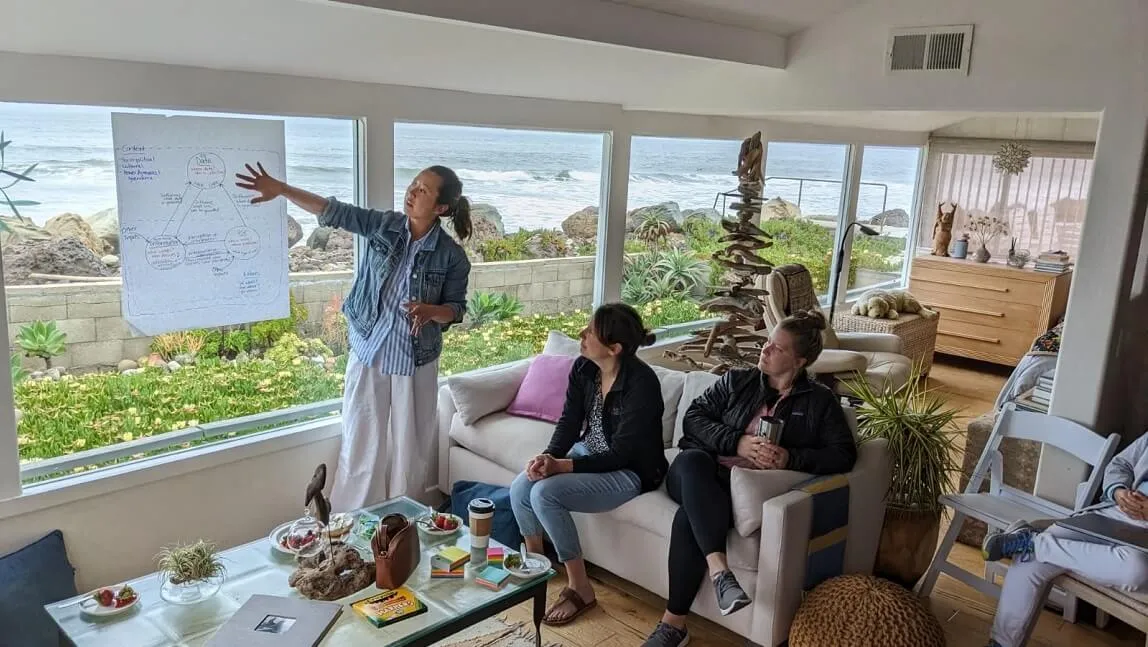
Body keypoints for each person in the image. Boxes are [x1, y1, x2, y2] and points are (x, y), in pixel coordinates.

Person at [235, 163, 472, 510]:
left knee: (411, 449)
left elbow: (457, 308)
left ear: (441, 208)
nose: (412, 191)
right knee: (361, 441)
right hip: (370, 349)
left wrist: (431, 311)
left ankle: (402, 521)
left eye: (423, 190)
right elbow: (334, 212)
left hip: (415, 359)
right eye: (414, 184)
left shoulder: (451, 255)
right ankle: (352, 519)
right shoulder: (385, 225)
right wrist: (281, 189)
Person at [641, 310, 857, 647]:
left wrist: (790, 457)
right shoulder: (736, 381)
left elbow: (843, 454)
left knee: (689, 519)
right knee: (695, 461)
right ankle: (720, 572)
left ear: (799, 360)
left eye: (776, 348)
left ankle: (674, 625)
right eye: (767, 342)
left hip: (737, 489)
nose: (765, 350)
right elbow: (694, 418)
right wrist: (737, 441)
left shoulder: (820, 402)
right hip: (694, 471)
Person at [510, 303, 668, 626]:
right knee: (521, 487)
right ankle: (539, 566)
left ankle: (580, 589)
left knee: (544, 495)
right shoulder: (584, 369)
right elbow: (569, 423)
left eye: (590, 331)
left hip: (630, 471)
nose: (581, 334)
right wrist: (547, 458)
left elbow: (619, 455)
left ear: (614, 348)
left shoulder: (642, 384)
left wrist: (560, 468)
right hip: (589, 451)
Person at [980, 431, 1148, 647]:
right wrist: (1118, 491)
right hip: (1117, 513)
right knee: (1032, 561)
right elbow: (1120, 463)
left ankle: (1034, 542)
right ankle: (1002, 644)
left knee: (1136, 570)